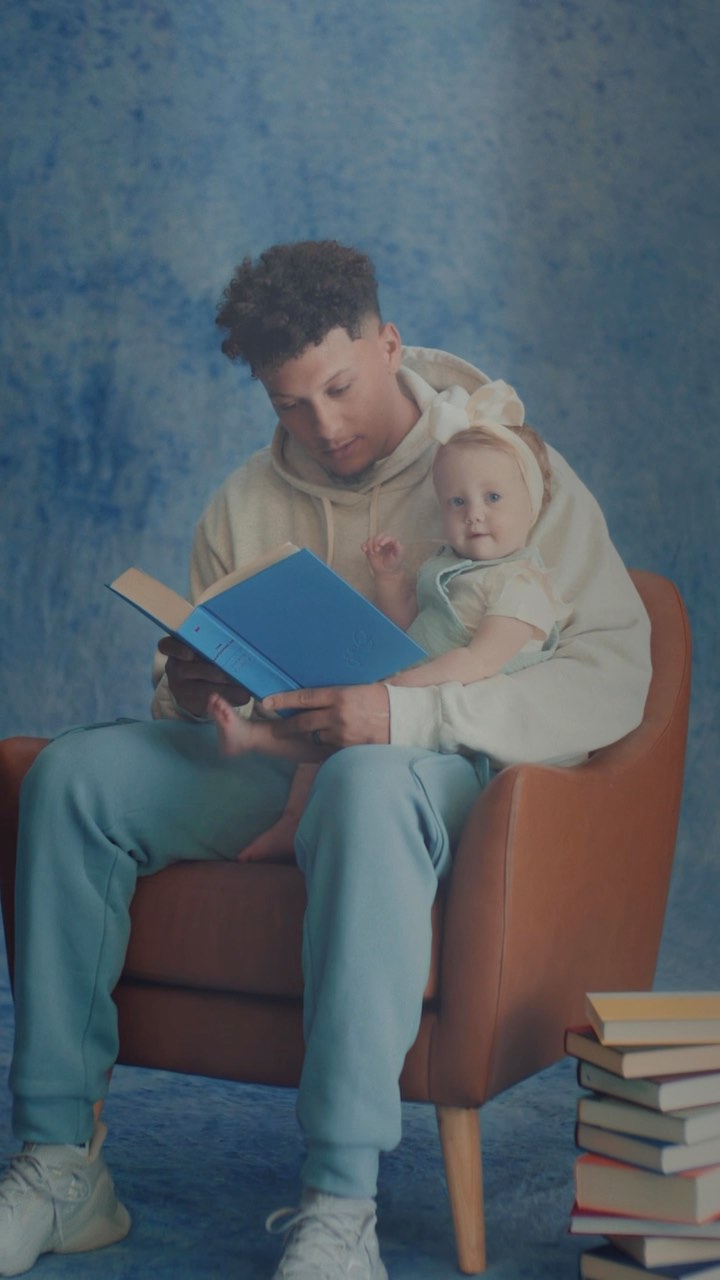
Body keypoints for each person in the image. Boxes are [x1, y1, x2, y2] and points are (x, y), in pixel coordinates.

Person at [0, 240, 651, 1280]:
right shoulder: (242, 501)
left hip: (441, 768)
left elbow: (614, 672)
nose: (325, 425)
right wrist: (196, 687)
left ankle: (341, 1208)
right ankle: (60, 1166)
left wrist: (404, 716)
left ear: (388, 344)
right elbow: (186, 706)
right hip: (277, 755)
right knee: (71, 778)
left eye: (340, 388)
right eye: (291, 404)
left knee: (362, 777)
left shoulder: (500, 465)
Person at [209, 379, 571, 857]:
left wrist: (397, 690)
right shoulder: (451, 568)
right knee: (335, 721)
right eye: (457, 502)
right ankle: (286, 808)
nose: (474, 515)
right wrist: (390, 578)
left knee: (350, 733)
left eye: (493, 498)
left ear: (534, 504)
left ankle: (261, 744)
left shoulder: (524, 586)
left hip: (459, 733)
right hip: (414, 691)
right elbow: (409, 628)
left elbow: (479, 661)